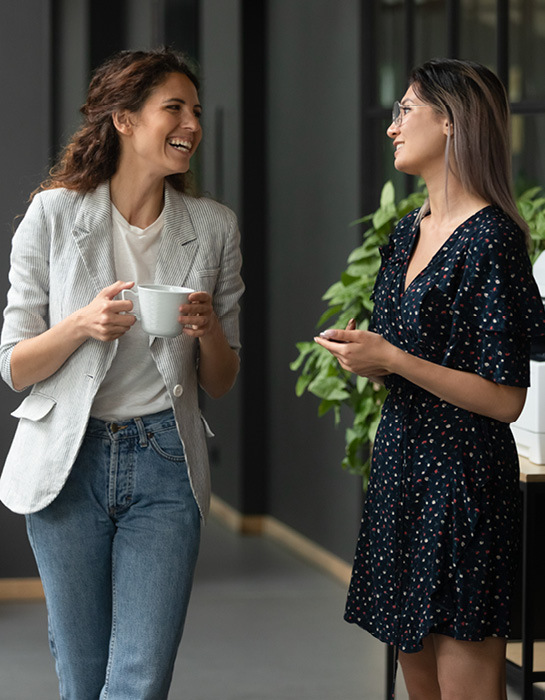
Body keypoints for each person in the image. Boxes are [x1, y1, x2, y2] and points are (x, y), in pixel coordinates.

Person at [0, 48, 243, 699]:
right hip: (67, 462)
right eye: (174, 108)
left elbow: (220, 379)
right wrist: (82, 325)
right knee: (81, 678)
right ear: (124, 119)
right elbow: (16, 366)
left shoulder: (213, 228)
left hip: (165, 459)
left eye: (195, 110)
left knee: (139, 677)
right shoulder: (52, 217)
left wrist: (207, 329)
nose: (191, 122)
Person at [315, 58, 545, 699]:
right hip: (402, 474)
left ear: (450, 122)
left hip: (466, 485)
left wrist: (393, 360)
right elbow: (401, 368)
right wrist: (366, 357)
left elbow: (505, 399)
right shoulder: (404, 233)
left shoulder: (492, 240)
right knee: (420, 689)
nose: (392, 127)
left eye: (405, 110)